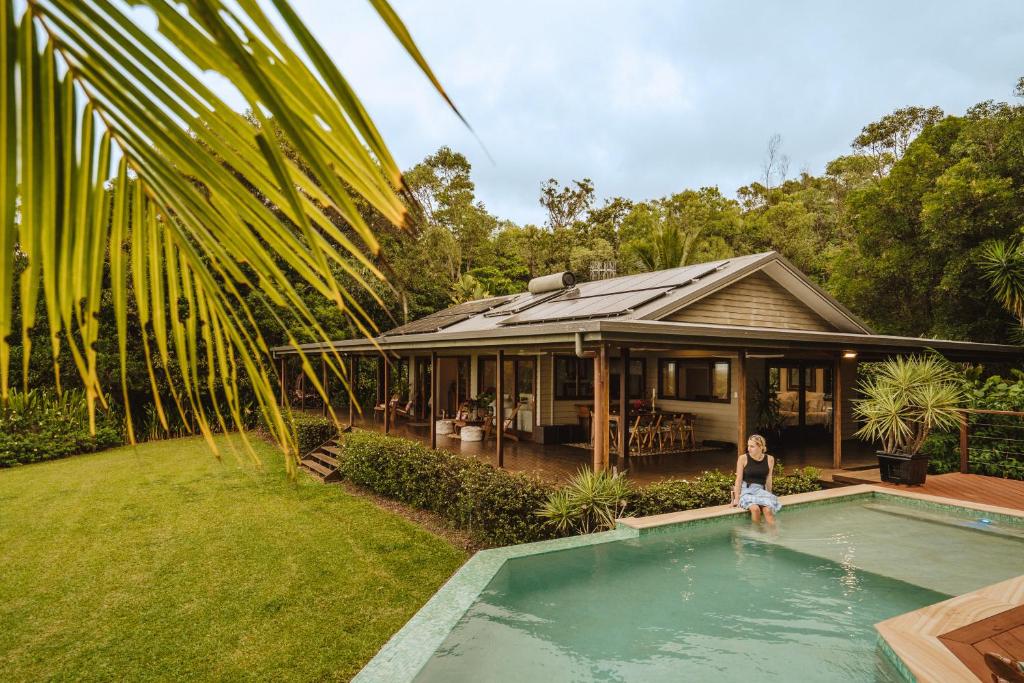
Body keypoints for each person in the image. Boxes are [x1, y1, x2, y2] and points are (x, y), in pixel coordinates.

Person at [731, 434, 781, 523]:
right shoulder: (743, 458)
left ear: (760, 447)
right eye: (748, 446)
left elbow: (769, 479)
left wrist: (768, 494)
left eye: (752, 446)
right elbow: (738, 479)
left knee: (768, 510)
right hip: (746, 491)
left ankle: (774, 535)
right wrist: (736, 499)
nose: (748, 449)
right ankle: (757, 533)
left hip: (760, 490)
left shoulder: (770, 459)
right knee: (755, 509)